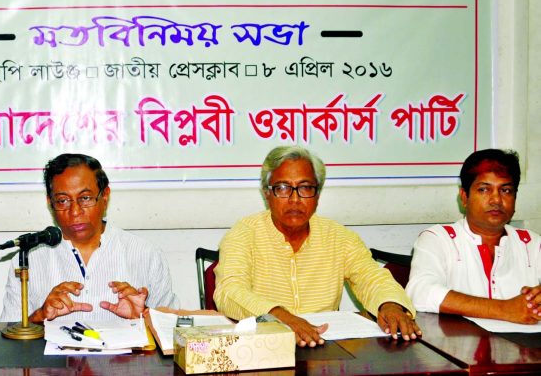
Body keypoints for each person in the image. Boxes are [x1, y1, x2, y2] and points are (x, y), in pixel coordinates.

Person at [214, 146, 420, 347]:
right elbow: (229, 291)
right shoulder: (243, 234)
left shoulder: (339, 237)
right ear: (267, 194)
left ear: (318, 195)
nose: (295, 200)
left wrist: (390, 304)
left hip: (323, 348)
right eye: (283, 188)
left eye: (305, 188)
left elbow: (372, 277)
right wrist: (280, 317)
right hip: (264, 350)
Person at [0, 153, 178, 323]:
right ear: (50, 202)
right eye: (63, 200)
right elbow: (6, 338)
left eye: (85, 198)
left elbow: (174, 331)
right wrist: (39, 316)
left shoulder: (146, 254)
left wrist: (144, 316)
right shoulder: (27, 259)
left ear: (105, 196)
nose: (75, 211)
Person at [407, 149, 541, 324]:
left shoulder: (531, 243)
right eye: (484, 189)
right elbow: (420, 292)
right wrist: (505, 309)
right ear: (464, 197)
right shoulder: (439, 239)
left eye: (506, 190)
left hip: (525, 348)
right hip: (457, 348)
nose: (496, 200)